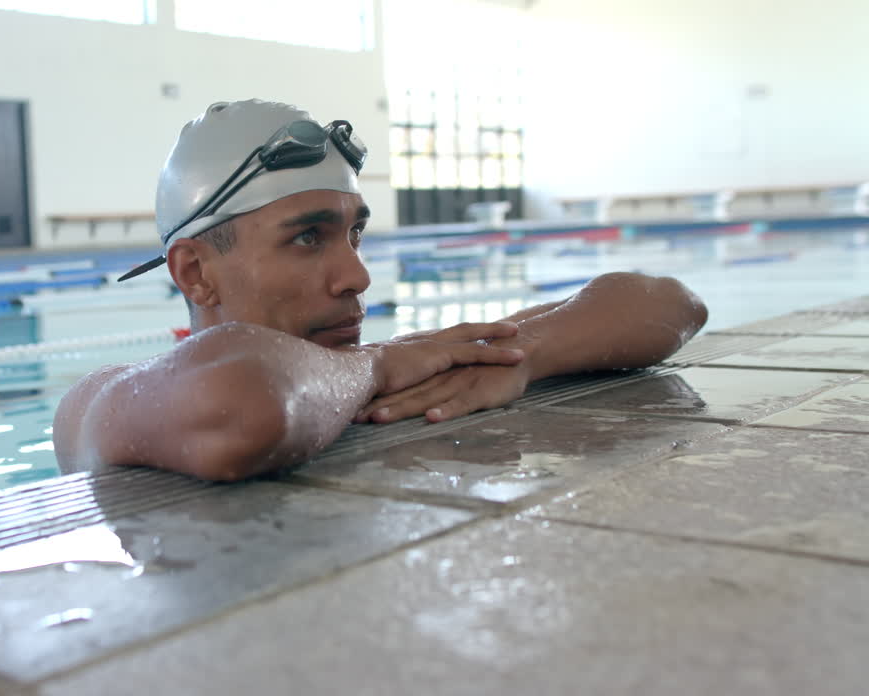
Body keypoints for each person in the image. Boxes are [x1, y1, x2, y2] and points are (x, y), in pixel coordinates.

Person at [53, 100, 707, 482]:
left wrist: (525, 355)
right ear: (195, 272)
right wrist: (377, 363)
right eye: (308, 238)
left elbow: (668, 304)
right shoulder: (96, 404)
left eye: (354, 235)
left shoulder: (365, 368)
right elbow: (245, 406)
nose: (357, 277)